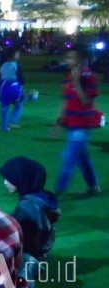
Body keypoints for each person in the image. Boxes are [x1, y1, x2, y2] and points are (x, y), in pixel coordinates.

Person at [54, 44, 101, 196]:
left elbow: (86, 101)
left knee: (69, 158)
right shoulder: (68, 78)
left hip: (83, 124)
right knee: (82, 158)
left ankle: (57, 192)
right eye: (67, 57)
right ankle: (93, 187)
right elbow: (66, 101)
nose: (68, 60)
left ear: (81, 59)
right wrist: (59, 122)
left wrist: (76, 82)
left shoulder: (88, 77)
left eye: (72, 57)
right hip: (72, 124)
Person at [0, 157, 60, 261]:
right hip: (38, 255)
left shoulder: (28, 207)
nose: (5, 182)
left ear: (22, 178)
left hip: (25, 259)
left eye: (10, 178)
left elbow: (13, 237)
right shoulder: (42, 199)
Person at [0, 47, 25, 131]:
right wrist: (21, 86)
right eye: (17, 54)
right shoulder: (17, 65)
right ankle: (12, 122)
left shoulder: (3, 65)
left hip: (2, 87)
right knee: (19, 105)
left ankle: (4, 126)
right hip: (13, 86)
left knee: (4, 107)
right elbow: (21, 78)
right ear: (14, 55)